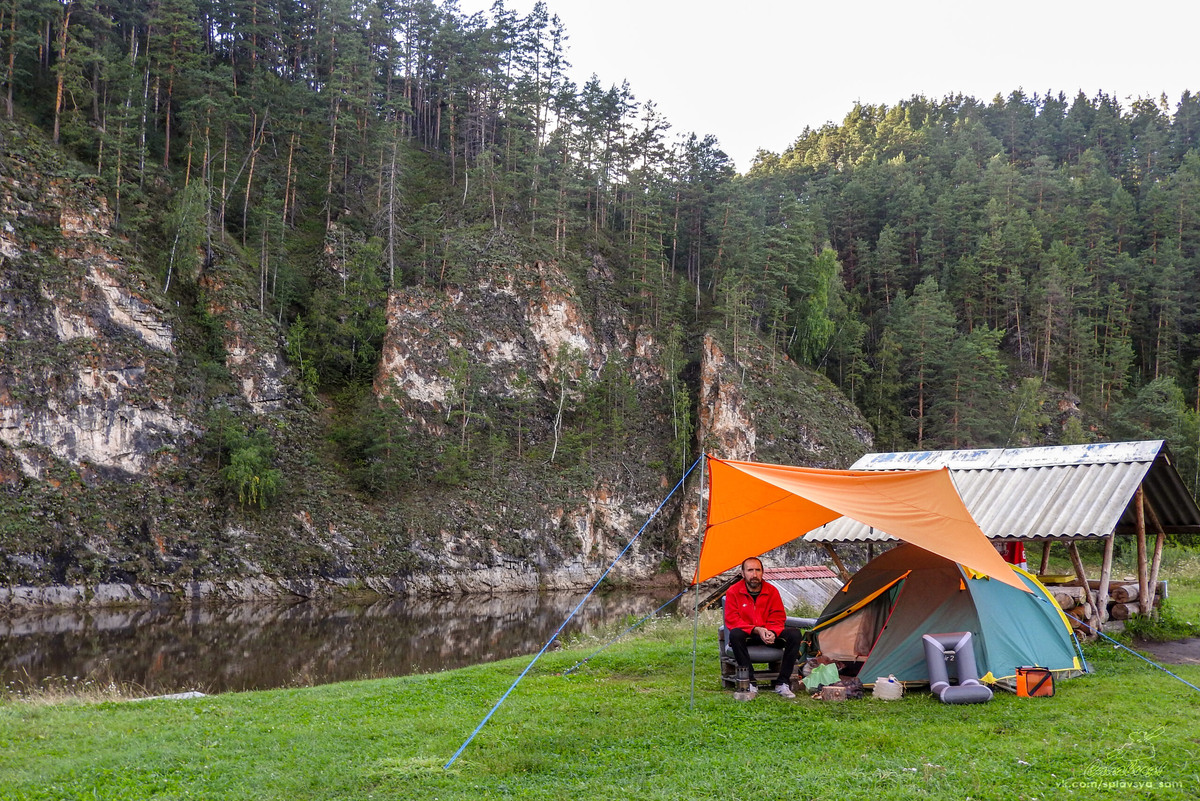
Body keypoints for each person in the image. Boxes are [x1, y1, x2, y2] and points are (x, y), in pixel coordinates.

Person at [724, 556, 802, 700]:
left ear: (762, 572)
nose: (754, 574)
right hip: (748, 635)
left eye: (758, 570)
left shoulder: (772, 591)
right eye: (750, 570)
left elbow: (778, 616)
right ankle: (750, 682)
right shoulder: (733, 592)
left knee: (795, 634)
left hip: (768, 634)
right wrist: (756, 629)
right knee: (735, 634)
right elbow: (732, 620)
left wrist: (772, 631)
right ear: (743, 573)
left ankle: (782, 683)